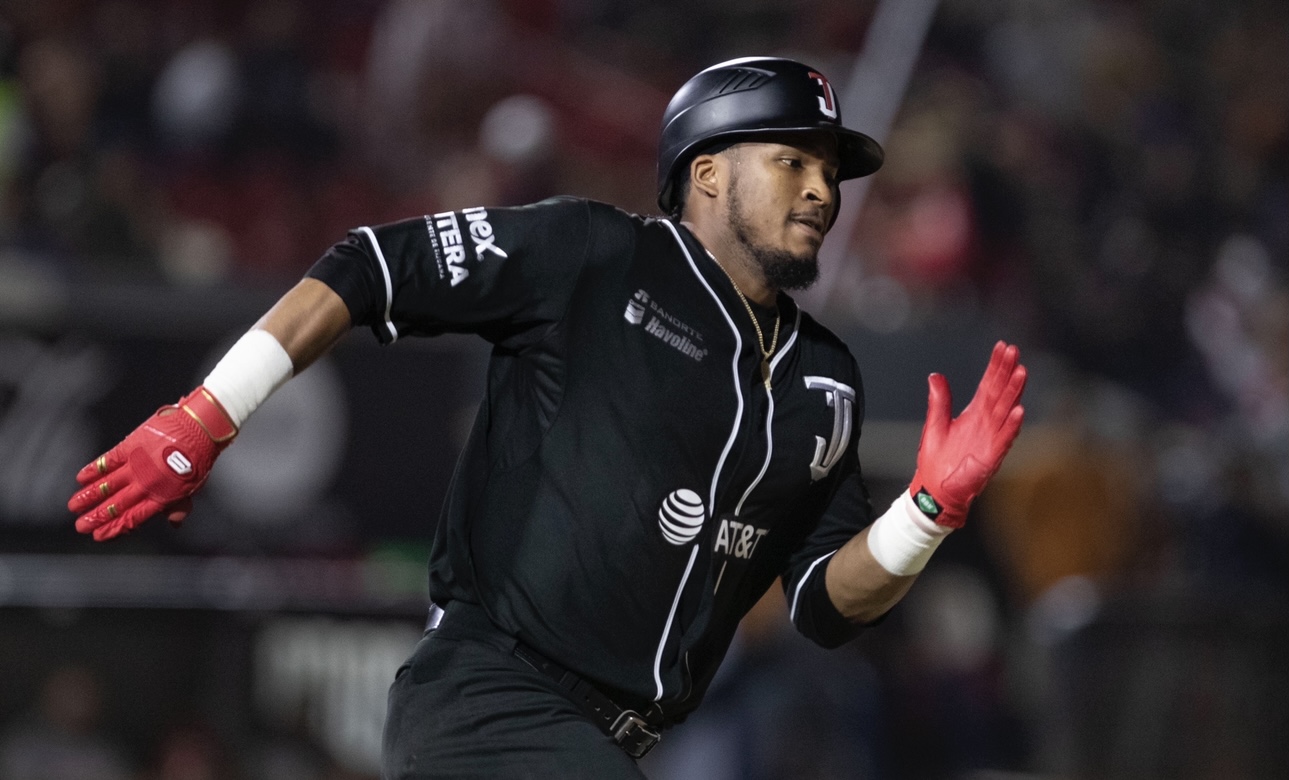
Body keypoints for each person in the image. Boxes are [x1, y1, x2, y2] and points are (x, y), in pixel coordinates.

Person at [68, 57, 1026, 779]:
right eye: (791, 160)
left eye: (829, 169)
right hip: (487, 699)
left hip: (611, 742)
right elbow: (369, 267)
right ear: (705, 173)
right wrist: (207, 415)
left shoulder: (826, 378)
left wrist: (925, 513)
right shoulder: (595, 257)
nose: (821, 189)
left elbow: (824, 603)